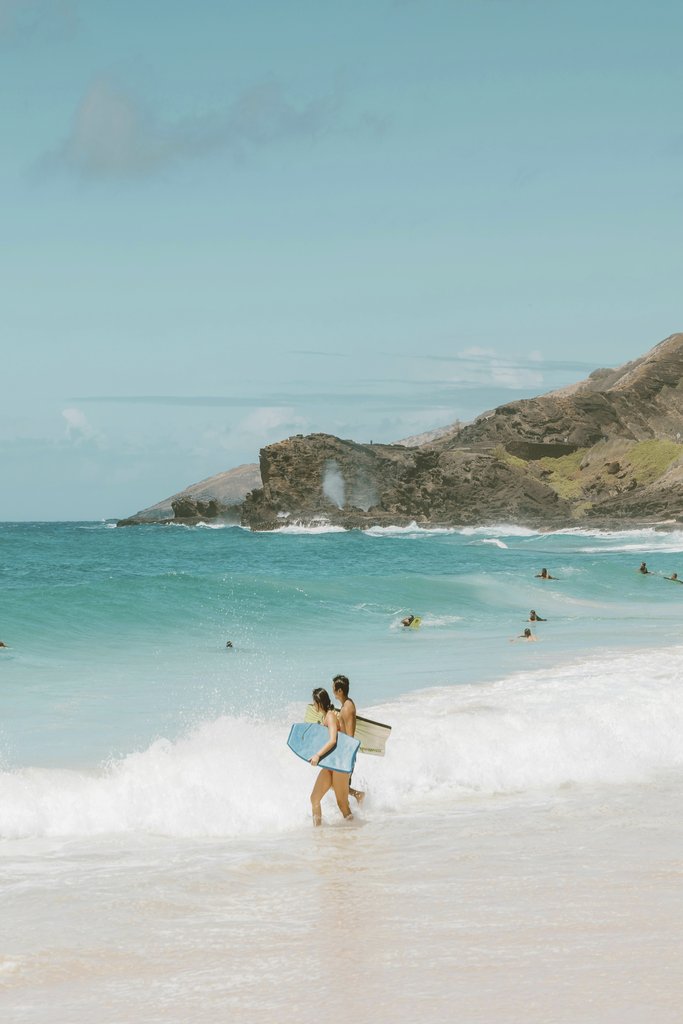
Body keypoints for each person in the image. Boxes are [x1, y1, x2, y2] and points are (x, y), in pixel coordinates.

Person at [309, 687, 353, 827]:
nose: (313, 705)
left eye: (314, 702)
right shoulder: (326, 717)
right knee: (314, 798)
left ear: (319, 703)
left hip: (339, 765)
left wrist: (317, 755)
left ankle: (355, 834)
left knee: (342, 805)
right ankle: (318, 832)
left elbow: (333, 740)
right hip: (330, 765)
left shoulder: (330, 716)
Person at [333, 674, 365, 804]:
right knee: (338, 786)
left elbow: (350, 736)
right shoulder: (346, 704)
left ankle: (358, 798)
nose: (333, 691)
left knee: (339, 788)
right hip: (345, 752)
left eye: (333, 688)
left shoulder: (347, 708)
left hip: (347, 753)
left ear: (339, 690)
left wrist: (346, 758)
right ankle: (358, 797)